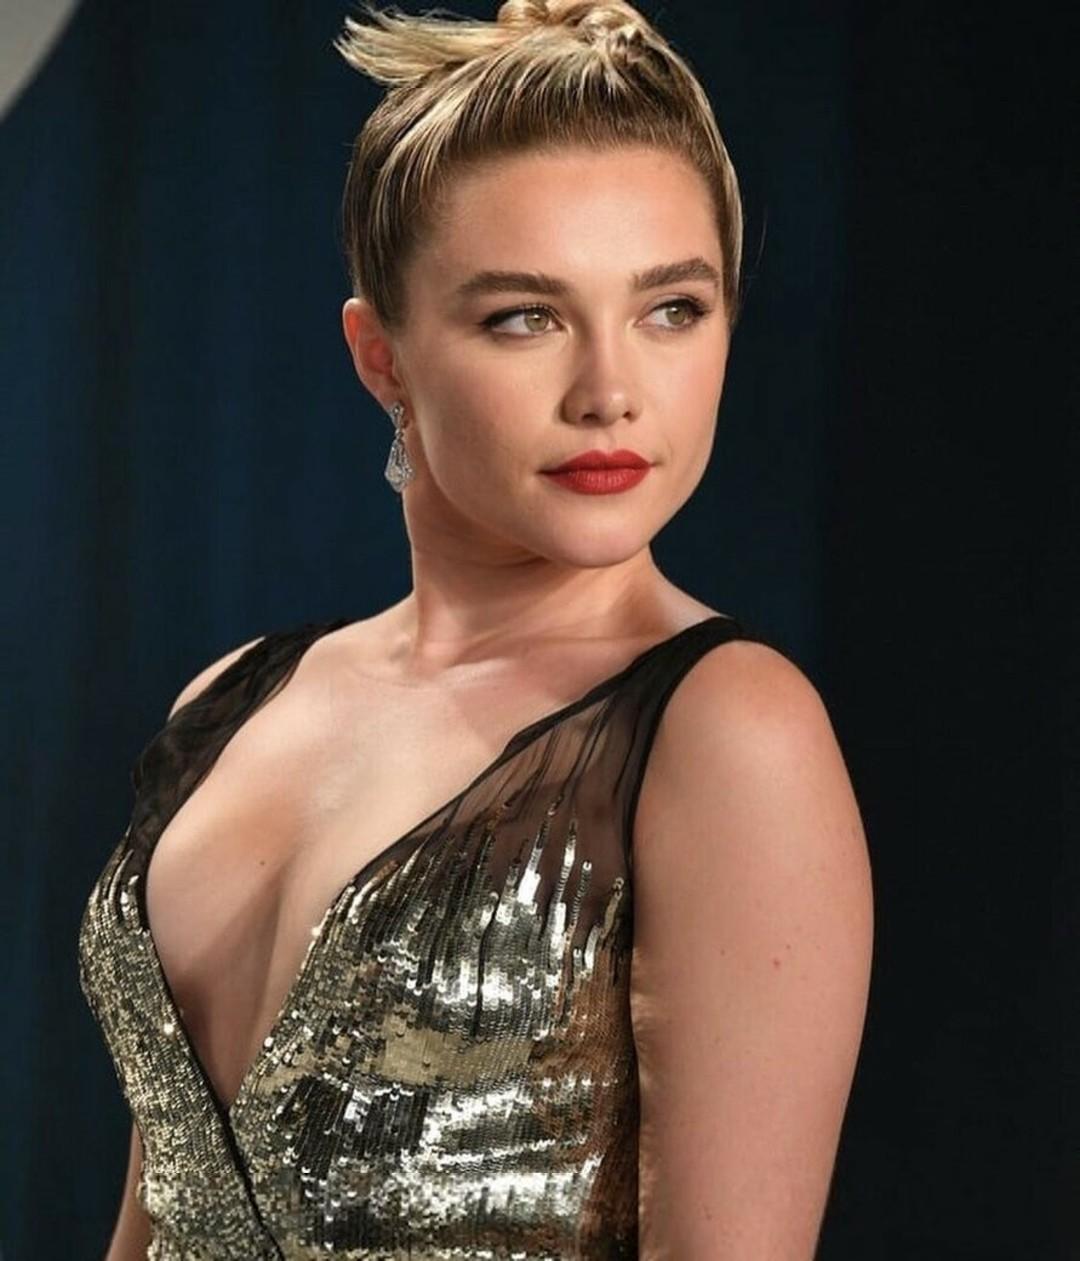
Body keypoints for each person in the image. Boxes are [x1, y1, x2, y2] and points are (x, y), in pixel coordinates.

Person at [78, 1, 873, 1257]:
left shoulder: (728, 731)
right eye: (525, 317)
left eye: (672, 308)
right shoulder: (230, 702)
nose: (610, 391)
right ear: (381, 357)